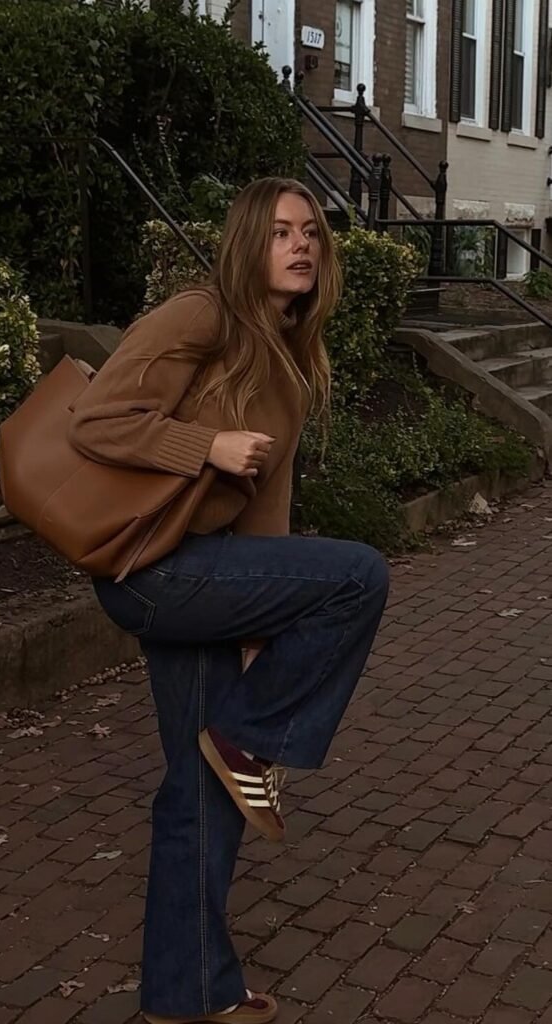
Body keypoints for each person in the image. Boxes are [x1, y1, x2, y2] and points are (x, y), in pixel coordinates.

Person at [68, 178, 389, 1024]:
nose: (302, 246)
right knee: (358, 575)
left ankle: (188, 992)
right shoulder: (200, 315)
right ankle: (248, 742)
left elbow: (265, 516)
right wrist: (202, 442)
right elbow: (97, 420)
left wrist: (262, 632)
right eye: (282, 232)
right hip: (154, 570)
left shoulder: (286, 353)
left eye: (312, 233)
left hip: (210, 574)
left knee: (195, 789)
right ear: (248, 242)